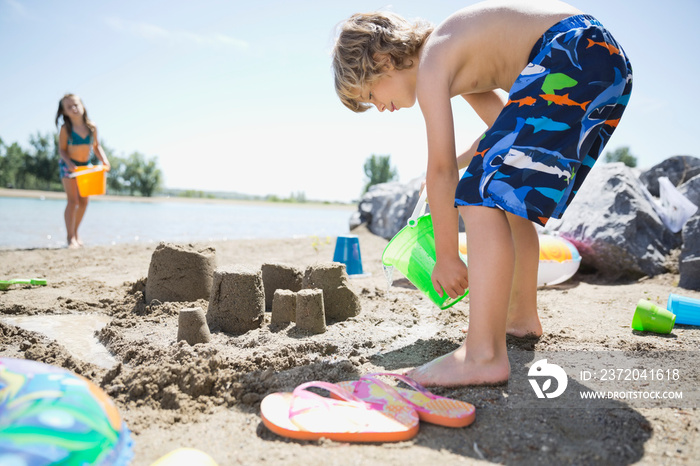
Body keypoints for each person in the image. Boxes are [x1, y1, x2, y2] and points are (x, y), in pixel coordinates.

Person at [332, 0, 632, 386]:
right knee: (505, 190)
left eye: (370, 94)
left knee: (480, 190)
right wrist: (459, 162)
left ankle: (483, 355)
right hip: (602, 59)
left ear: (385, 60)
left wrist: (446, 257)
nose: (378, 108)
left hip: (571, 51)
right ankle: (520, 318)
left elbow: (440, 171)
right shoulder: (455, 52)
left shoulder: (432, 65)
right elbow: (500, 126)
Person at [55, 94, 111, 249]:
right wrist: (69, 163)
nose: (74, 108)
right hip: (69, 166)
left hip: (85, 166)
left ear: (82, 106)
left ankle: (76, 232)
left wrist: (104, 160)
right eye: (69, 107)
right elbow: (62, 150)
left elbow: (96, 146)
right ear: (64, 112)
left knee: (84, 201)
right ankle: (70, 237)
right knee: (73, 202)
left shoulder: (91, 127)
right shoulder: (66, 129)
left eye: (76, 105)